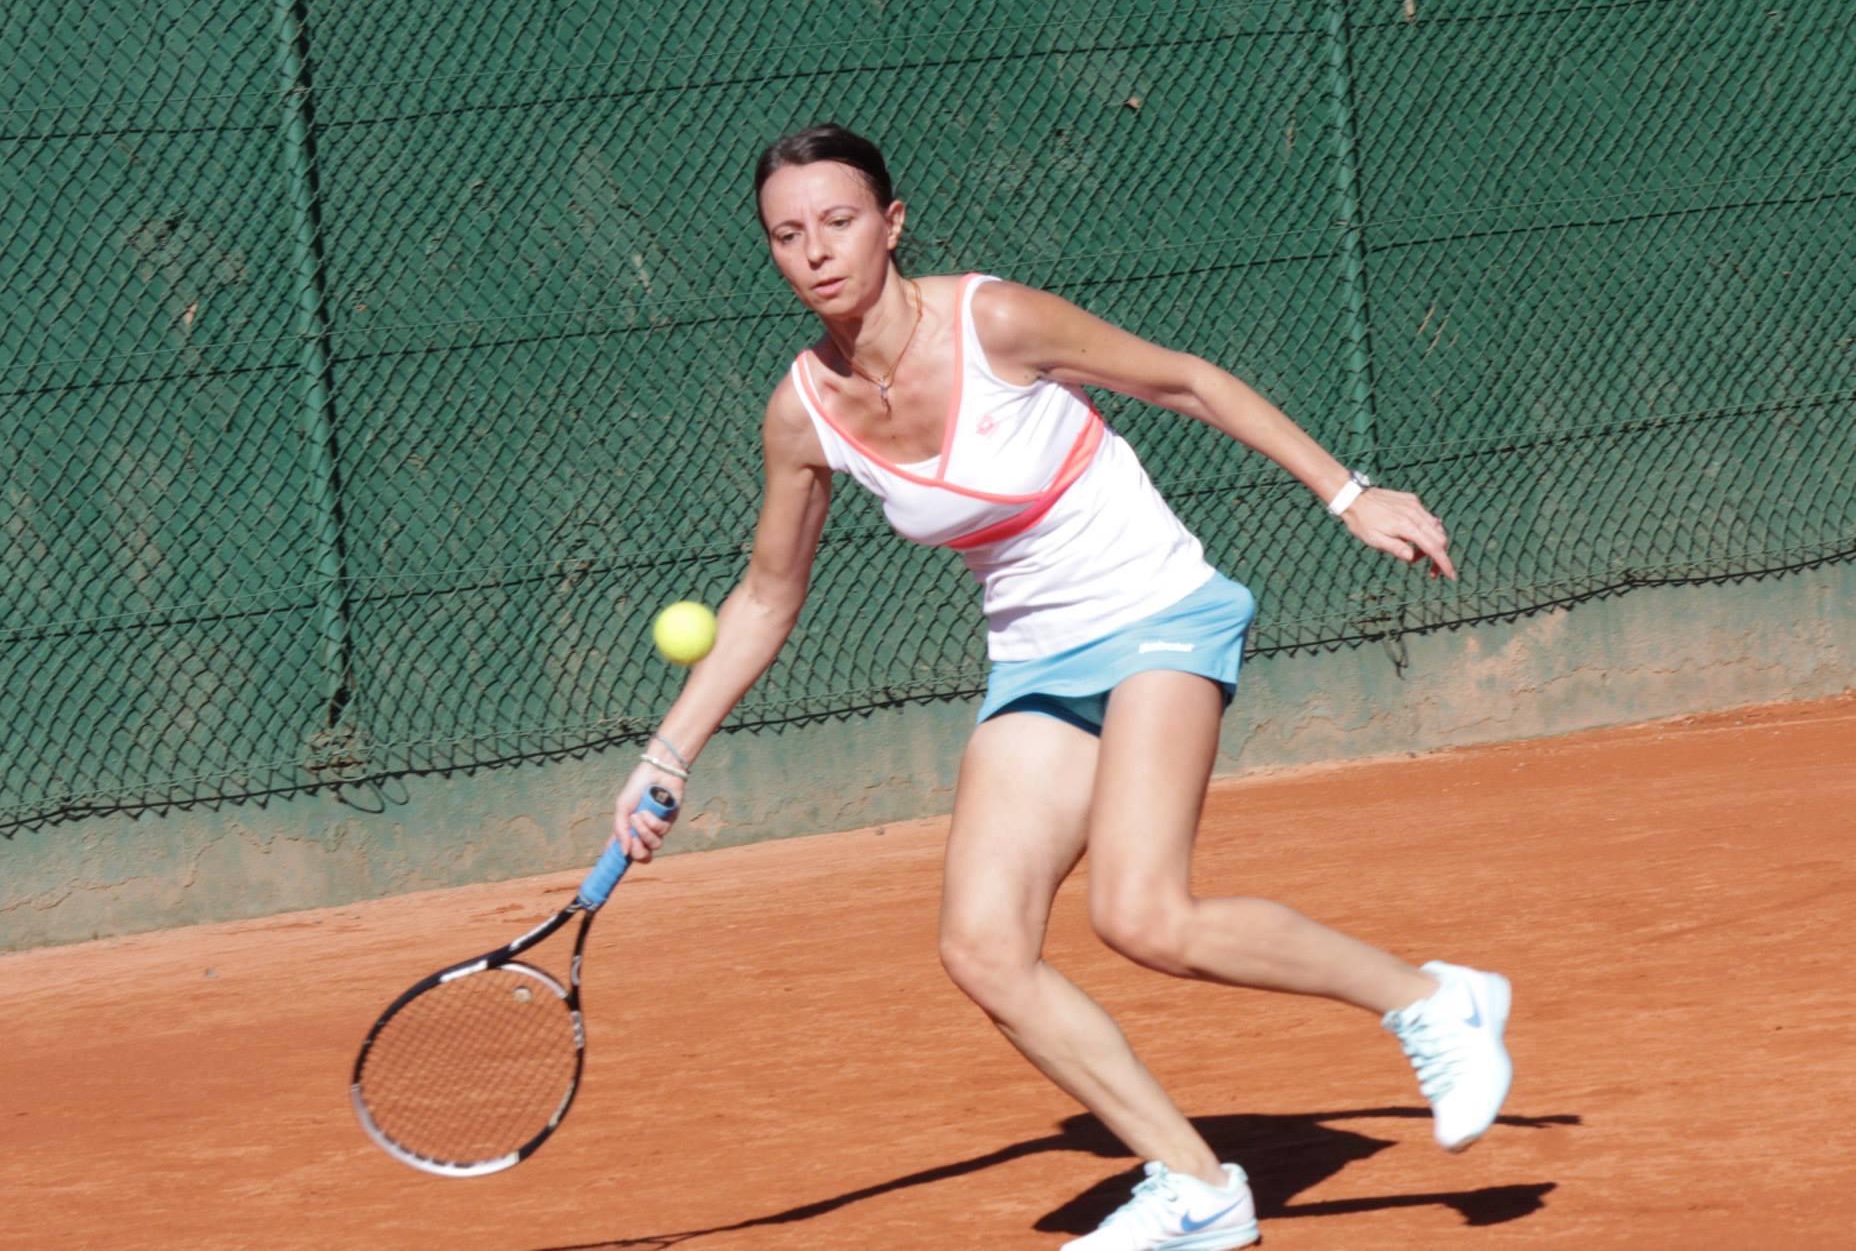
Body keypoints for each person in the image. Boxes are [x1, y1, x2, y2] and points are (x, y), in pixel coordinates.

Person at [611, 124, 1512, 1251]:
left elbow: (1183, 380)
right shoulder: (803, 412)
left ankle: (1432, 999)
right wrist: (667, 752)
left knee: (1142, 913)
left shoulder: (993, 321)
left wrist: (1346, 495)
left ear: (891, 226)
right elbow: (764, 594)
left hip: (1153, 611)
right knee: (982, 946)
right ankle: (1195, 1186)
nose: (815, 252)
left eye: (838, 222)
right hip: (1034, 660)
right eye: (787, 235)